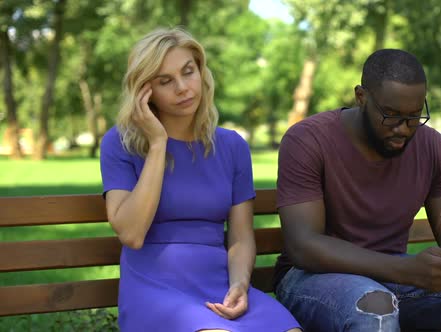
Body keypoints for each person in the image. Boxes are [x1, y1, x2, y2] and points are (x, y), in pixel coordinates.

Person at [273, 49, 441, 331]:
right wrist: (406, 271)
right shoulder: (308, 140)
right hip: (313, 278)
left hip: (396, 280)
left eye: (414, 116)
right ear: (361, 97)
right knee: (375, 307)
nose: (403, 129)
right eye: (391, 116)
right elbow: (304, 246)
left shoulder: (432, 147)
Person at [99, 27, 300, 332]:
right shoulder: (120, 143)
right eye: (165, 81)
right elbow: (131, 233)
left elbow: (241, 237)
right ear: (144, 92)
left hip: (219, 287)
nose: (182, 87)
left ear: (201, 73)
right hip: (154, 291)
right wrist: (157, 145)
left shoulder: (232, 146)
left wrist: (239, 285)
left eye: (188, 72)